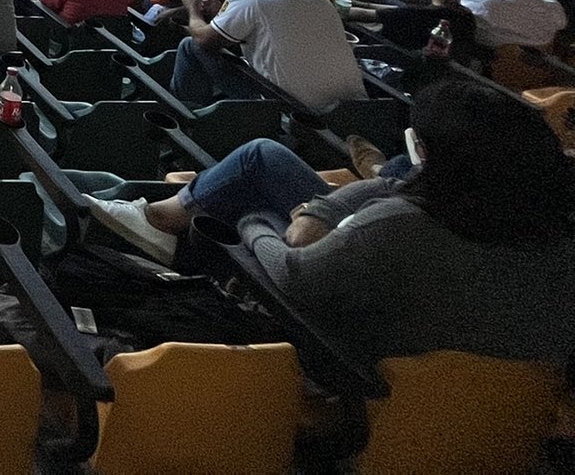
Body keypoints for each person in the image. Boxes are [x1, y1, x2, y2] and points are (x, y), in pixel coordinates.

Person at [87, 79, 575, 367]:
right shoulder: (547, 224)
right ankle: (173, 210)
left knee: (250, 197)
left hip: (349, 355)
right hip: (506, 397)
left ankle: (163, 220)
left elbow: (290, 274)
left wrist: (256, 222)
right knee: (262, 156)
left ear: (431, 157)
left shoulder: (400, 227)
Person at [173, 0, 365, 108]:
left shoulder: (255, 0)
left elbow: (204, 39)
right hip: (352, 107)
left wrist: (193, 9)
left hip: (292, 109)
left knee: (190, 45)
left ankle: (189, 113)